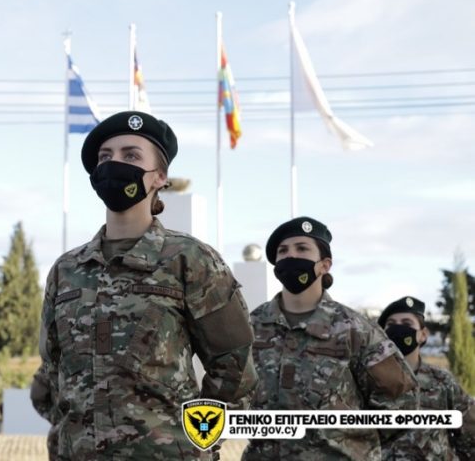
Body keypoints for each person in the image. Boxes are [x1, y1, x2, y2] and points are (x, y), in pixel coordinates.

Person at [32, 110, 257, 459]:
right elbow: (52, 370)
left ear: (160, 177)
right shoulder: (67, 270)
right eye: (105, 157)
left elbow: (235, 366)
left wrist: (195, 442)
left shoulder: (190, 259)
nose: (114, 164)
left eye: (131, 156)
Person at [242, 216, 418, 460]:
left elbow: (402, 401)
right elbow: (233, 391)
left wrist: (353, 445)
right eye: (283, 251)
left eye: (302, 248)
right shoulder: (252, 325)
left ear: (324, 265)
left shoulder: (355, 329)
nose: (291, 255)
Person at [378, 296, 475, 460]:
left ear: (423, 335)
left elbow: (470, 435)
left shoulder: (442, 381)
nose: (397, 329)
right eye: (391, 324)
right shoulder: (368, 380)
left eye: (407, 324)